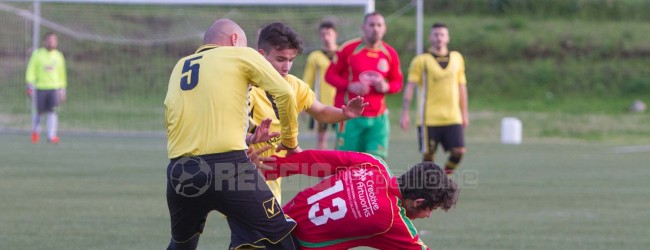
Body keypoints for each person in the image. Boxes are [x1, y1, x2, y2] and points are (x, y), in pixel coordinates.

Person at [163, 19, 301, 250]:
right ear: (235, 40)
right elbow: (285, 93)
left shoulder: (181, 66)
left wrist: (246, 138)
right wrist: (289, 141)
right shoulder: (240, 54)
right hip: (229, 169)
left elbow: (172, 116)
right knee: (282, 238)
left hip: (180, 171)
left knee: (182, 245)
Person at [249, 22, 368, 203]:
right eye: (280, 59)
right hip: (244, 166)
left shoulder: (294, 85)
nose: (286, 67)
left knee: (261, 227)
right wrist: (249, 140)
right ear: (261, 55)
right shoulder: (246, 86)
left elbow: (321, 111)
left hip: (270, 169)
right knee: (261, 226)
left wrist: (345, 114)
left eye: (290, 60)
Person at [253, 150, 459, 249]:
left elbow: (317, 160)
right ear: (418, 201)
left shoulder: (373, 164)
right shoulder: (391, 221)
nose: (428, 215)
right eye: (430, 209)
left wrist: (275, 167)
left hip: (279, 222)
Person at [325, 12, 403, 159]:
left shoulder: (390, 53)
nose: (375, 29)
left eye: (379, 25)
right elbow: (329, 76)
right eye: (371, 25)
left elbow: (397, 82)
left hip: (378, 119)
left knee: (375, 162)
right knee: (347, 162)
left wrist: (387, 87)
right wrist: (349, 85)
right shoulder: (348, 49)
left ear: (384, 28)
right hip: (350, 118)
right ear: (363, 27)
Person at [400, 22, 469, 176]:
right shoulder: (421, 60)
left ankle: (443, 178)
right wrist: (405, 112)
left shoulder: (457, 58)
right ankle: (427, 189)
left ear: (448, 38)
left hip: (452, 116)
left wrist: (464, 113)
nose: (439, 38)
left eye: (442, 34)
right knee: (428, 158)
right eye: (436, 34)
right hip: (428, 118)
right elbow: (410, 86)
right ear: (430, 37)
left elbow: (462, 87)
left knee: (459, 151)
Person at [302, 21, 339, 150]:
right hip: (321, 103)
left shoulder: (343, 54)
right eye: (323, 34)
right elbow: (307, 80)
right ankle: (323, 167)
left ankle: (341, 168)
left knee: (341, 138)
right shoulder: (315, 56)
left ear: (335, 34)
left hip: (340, 102)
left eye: (329, 33)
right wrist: (302, 102)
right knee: (321, 139)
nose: (326, 37)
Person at [25, 32, 67, 144]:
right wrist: (29, 84)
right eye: (49, 40)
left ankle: (51, 136)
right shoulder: (37, 54)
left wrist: (62, 88)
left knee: (52, 112)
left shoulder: (58, 55)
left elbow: (62, 73)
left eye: (54, 40)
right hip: (40, 88)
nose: (51, 42)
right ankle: (35, 132)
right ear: (45, 41)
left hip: (54, 88)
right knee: (38, 112)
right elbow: (31, 70)